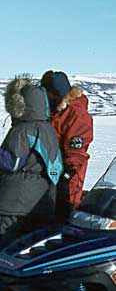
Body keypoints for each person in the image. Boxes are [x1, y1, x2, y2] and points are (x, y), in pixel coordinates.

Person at [0, 76, 63, 254]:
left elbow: (11, 162)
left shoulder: (22, 130)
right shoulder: (47, 129)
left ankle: (1, 280)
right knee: (31, 251)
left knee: (6, 248)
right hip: (39, 201)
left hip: (14, 203)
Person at [41, 71, 94, 223]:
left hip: (67, 174)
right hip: (51, 171)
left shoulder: (76, 113)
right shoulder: (55, 111)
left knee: (65, 212)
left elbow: (76, 151)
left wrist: (67, 174)